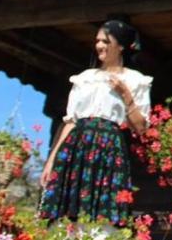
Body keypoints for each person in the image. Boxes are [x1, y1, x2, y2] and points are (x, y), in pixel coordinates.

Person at [39, 19, 151, 225]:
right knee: (68, 204)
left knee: (104, 204)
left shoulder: (136, 80)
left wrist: (126, 96)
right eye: (98, 41)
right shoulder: (84, 78)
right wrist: (52, 160)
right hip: (76, 145)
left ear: (121, 46)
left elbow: (141, 128)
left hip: (108, 146)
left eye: (106, 41)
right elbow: (71, 122)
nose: (100, 45)